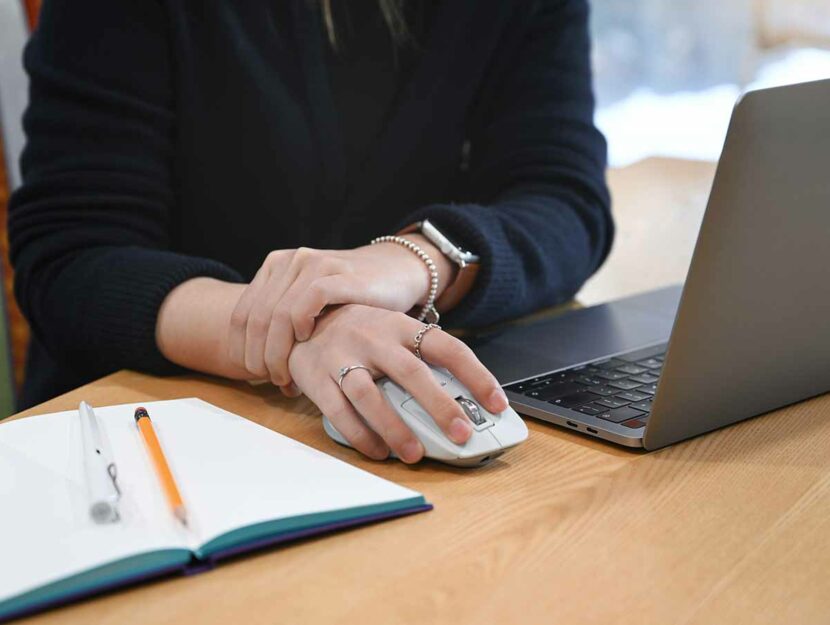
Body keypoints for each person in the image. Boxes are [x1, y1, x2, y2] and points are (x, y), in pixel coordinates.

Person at [9, 0, 612, 463]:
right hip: (141, 438)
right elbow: (72, 257)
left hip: (403, 413)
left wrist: (407, 263)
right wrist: (310, 327)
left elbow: (563, 198)